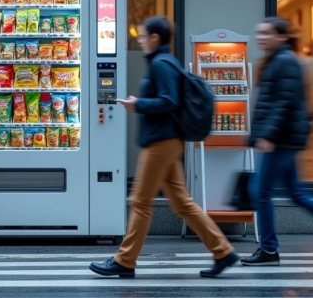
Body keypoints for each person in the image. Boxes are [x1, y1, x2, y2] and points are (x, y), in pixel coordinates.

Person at [89, 16, 238, 279]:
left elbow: (169, 100)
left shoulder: (161, 64)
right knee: (182, 203)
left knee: (140, 201)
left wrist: (139, 104)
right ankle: (223, 251)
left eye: (143, 36)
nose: (140, 40)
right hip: (166, 140)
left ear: (155, 38)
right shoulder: (165, 62)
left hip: (161, 141)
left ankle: (125, 260)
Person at [241, 17, 313, 266]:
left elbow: (283, 102)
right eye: (258, 33)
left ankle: (269, 250)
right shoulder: (275, 60)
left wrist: (267, 135)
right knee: (295, 194)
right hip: (283, 138)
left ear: (281, 36)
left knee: (259, 191)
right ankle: (269, 249)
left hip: (280, 139)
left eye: (267, 33)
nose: (261, 37)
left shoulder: (284, 61)